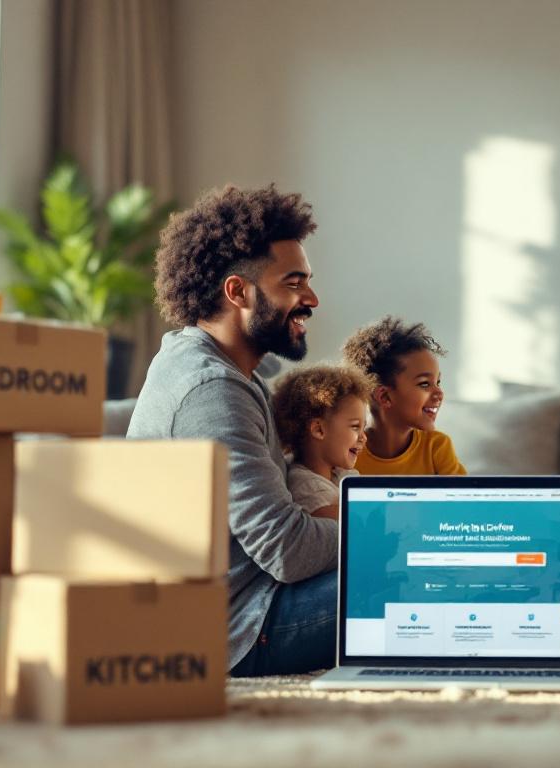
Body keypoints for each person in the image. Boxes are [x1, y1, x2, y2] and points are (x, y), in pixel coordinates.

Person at [126, 184, 338, 677]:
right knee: (416, 575)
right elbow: (287, 550)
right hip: (237, 627)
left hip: (254, 599)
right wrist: (380, 533)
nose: (311, 299)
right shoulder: (211, 389)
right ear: (238, 291)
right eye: (294, 283)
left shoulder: (222, 369)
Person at [342, 316, 466, 475]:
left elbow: (461, 492)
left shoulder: (437, 447)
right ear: (385, 397)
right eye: (424, 384)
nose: (439, 393)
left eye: (438, 382)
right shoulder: (347, 450)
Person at [272, 364, 373, 513]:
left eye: (363, 427)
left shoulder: (339, 473)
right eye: (355, 426)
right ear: (319, 430)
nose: (364, 437)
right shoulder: (307, 488)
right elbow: (358, 520)